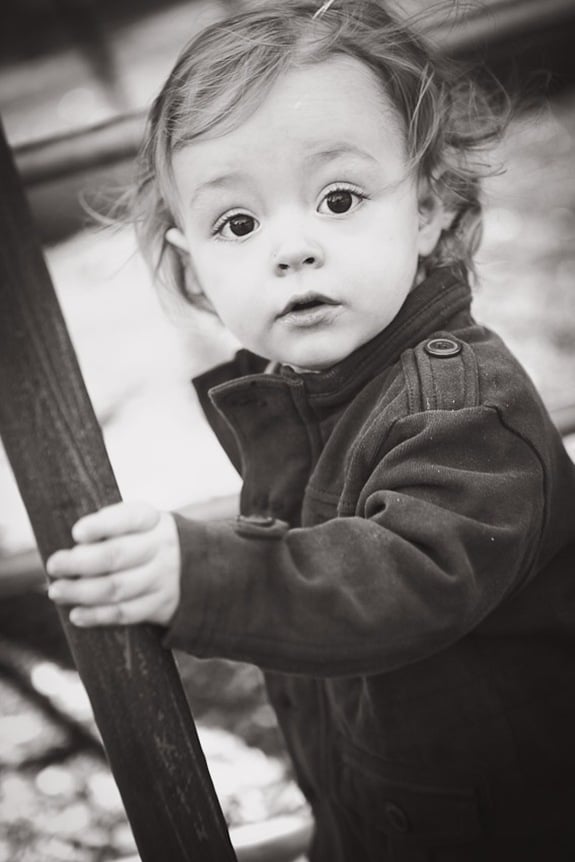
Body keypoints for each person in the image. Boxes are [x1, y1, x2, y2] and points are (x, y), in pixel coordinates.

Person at [46, 1, 575, 859]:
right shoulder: (313, 396)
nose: (290, 248)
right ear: (194, 268)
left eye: (338, 198)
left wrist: (207, 576)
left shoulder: (463, 409)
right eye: (238, 224)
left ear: (428, 208)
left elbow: (399, 582)